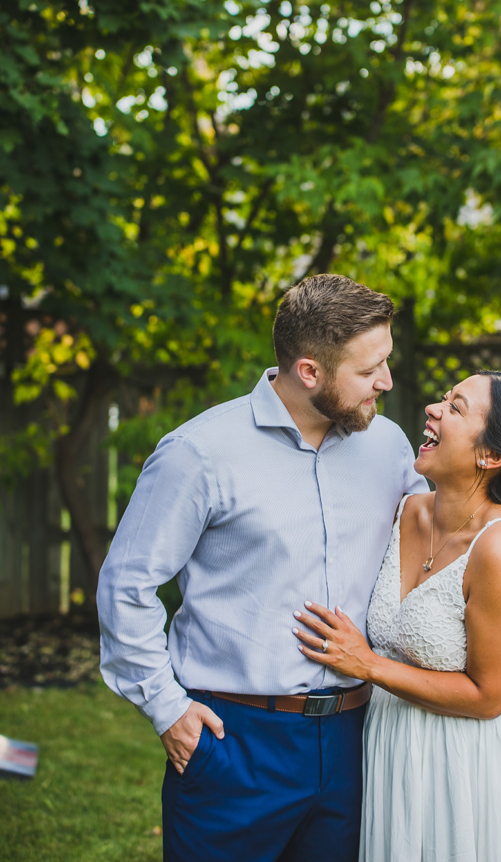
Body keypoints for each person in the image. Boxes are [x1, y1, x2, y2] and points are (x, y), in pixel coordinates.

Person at [97, 274, 428, 862]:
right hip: (234, 744)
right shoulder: (198, 454)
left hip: (358, 738)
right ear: (309, 371)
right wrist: (166, 708)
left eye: (387, 360)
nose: (387, 381)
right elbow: (127, 585)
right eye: (369, 368)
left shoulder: (391, 446)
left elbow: (446, 538)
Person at [293, 371, 501, 862]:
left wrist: (368, 665)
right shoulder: (406, 510)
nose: (433, 409)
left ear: (492, 456)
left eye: (456, 408)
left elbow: (489, 697)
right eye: (442, 398)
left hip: (462, 762)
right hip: (387, 745)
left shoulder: (500, 546)